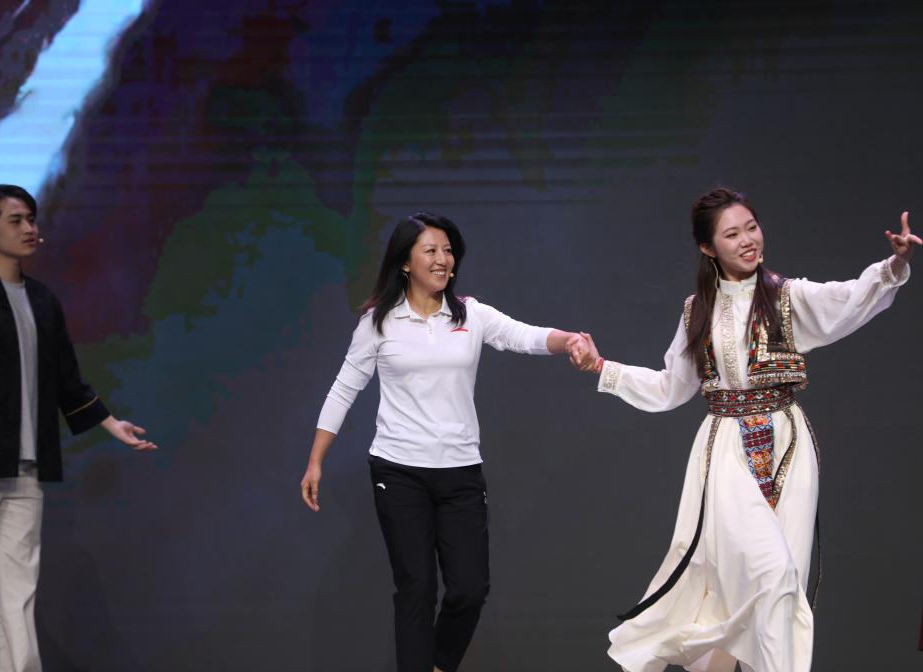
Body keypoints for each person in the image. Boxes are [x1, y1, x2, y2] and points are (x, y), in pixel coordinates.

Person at [569, 187, 916, 672]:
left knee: (785, 586)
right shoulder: (697, 311)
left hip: (789, 443)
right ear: (708, 247)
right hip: (726, 449)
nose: (748, 240)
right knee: (766, 575)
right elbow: (671, 387)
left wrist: (894, 265)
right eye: (732, 234)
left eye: (751, 227)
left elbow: (849, 299)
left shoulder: (788, 296)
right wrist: (602, 368)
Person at [299, 212, 595, 672]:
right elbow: (344, 388)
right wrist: (316, 460)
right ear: (405, 262)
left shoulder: (470, 314)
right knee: (416, 589)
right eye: (431, 251)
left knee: (469, 589)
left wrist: (570, 340)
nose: (443, 259)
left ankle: (438, 664)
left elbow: (523, 336)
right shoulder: (378, 322)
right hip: (398, 471)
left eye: (448, 251)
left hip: (459, 471)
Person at [0, 184, 157, 672]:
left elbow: (67, 378)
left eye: (31, 219)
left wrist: (111, 424)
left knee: (19, 592)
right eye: (16, 221)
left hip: (25, 470)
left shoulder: (43, 301)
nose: (29, 228)